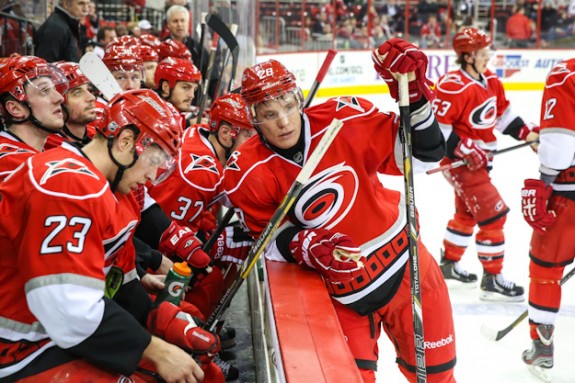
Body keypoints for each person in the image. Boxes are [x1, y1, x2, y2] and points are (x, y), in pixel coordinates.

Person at [222, 39, 456, 382]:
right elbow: (267, 239)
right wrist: (306, 246)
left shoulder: (343, 118)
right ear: (253, 118)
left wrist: (417, 100)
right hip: (341, 288)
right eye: (270, 114)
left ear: (299, 98)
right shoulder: (246, 170)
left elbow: (424, 156)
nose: (284, 122)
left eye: (288, 106)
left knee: (438, 377)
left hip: (404, 263)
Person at [0, 88, 214, 382]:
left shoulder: (114, 192)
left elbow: (117, 281)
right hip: (17, 347)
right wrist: (156, 351)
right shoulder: (67, 183)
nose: (153, 176)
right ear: (126, 141)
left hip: (52, 335)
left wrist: (155, 316)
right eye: (154, 161)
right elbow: (66, 305)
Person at [433, 27, 539, 300]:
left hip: (480, 162)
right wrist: (462, 147)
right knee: (494, 216)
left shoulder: (490, 80)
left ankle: (449, 264)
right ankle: (492, 278)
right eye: (482, 53)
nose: (488, 57)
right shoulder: (452, 85)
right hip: (460, 165)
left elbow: (502, 116)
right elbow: (437, 130)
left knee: (467, 215)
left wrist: (527, 134)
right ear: (467, 56)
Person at [520, 58, 575, 379]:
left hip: (568, 198)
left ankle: (541, 348)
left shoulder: (565, 73)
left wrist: (543, 180)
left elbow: (559, 150)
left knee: (545, 271)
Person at [0, 55, 68, 180]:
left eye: (54, 89)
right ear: (16, 109)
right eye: (44, 91)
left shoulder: (46, 149)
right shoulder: (10, 163)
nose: (60, 98)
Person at [44, 61, 96, 149]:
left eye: (89, 90)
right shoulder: (49, 147)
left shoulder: (96, 135)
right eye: (78, 93)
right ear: (58, 101)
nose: (91, 97)